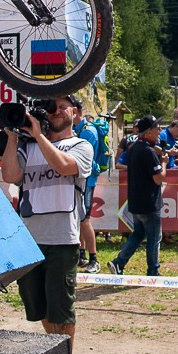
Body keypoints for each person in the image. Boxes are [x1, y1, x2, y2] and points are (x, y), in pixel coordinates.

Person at [2, 98, 95, 354]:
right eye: (51, 108)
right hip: (31, 238)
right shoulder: (29, 146)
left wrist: (39, 136)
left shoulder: (80, 145)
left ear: (74, 113)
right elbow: (10, 175)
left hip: (62, 238)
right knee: (39, 306)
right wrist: (12, 137)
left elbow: (63, 166)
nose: (55, 112)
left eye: (61, 107)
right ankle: (56, 351)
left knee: (61, 308)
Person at [109, 115, 165, 278]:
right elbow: (158, 178)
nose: (159, 131)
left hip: (135, 200)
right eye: (156, 128)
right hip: (149, 202)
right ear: (148, 132)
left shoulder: (133, 147)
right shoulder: (148, 151)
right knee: (154, 237)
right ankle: (153, 270)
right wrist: (164, 163)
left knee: (138, 234)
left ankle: (119, 262)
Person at [72, 98, 104, 272]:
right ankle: (81, 255)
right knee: (79, 218)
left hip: (87, 181)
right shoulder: (78, 129)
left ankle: (94, 259)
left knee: (85, 220)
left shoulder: (88, 131)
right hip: (80, 179)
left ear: (75, 111)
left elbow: (86, 160)